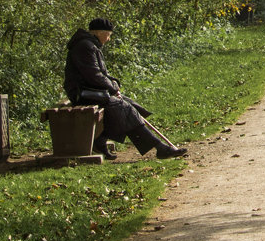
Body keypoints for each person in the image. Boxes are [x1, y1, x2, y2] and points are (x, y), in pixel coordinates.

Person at [64, 17, 187, 160]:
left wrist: (113, 84)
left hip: (91, 91)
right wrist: (112, 88)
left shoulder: (90, 45)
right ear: (100, 32)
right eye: (109, 35)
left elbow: (100, 74)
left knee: (129, 106)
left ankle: (100, 141)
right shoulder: (85, 46)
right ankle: (159, 147)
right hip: (82, 94)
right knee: (123, 108)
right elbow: (94, 75)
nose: (109, 39)